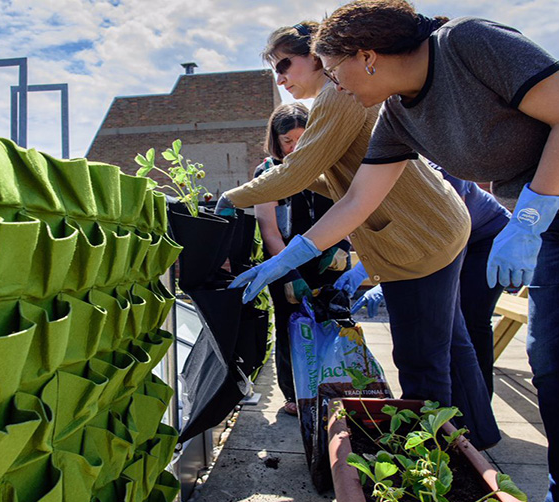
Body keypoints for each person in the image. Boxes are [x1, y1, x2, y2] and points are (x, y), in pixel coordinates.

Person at [312, 2, 559, 502]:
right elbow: (358, 200)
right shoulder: (398, 116)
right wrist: (292, 256)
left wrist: (526, 222)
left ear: (366, 56)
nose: (334, 85)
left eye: (333, 70)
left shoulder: (467, 42)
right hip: (556, 224)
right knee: (553, 367)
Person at [214, 21, 501, 450]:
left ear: (316, 55)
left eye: (285, 64)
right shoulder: (338, 98)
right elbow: (333, 181)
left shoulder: (338, 97)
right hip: (437, 225)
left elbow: (299, 172)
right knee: (451, 345)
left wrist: (232, 197)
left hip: (418, 238)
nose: (280, 79)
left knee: (420, 358)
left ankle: (433, 460)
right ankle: (477, 437)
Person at [338, 168, 511, 397]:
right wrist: (365, 271)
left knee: (472, 320)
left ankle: (478, 400)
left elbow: (450, 230)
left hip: (485, 236)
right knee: (446, 326)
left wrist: (387, 279)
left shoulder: (441, 170)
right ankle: (452, 401)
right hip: (442, 240)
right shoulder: (379, 173)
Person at [253, 102, 350, 416]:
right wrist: (289, 272)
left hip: (328, 261)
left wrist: (342, 245)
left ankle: (334, 387)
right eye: (287, 141)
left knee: (333, 324)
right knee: (290, 328)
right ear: (276, 141)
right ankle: (295, 394)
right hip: (285, 263)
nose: (295, 147)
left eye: (302, 138)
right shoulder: (268, 173)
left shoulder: (331, 166)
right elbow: (270, 231)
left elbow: (350, 208)